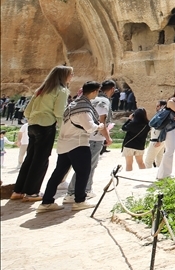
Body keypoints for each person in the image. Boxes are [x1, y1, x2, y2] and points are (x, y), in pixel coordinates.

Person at [37, 81, 112, 212]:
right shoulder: (83, 108)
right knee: (83, 172)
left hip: (64, 143)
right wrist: (100, 126)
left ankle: (47, 202)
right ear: (94, 92)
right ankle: (79, 200)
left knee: (58, 174)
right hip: (77, 144)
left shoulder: (73, 104)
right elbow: (89, 127)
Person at [11, 65, 73, 202]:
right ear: (63, 76)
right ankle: (32, 192)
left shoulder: (41, 90)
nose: (72, 77)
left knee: (30, 158)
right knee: (40, 160)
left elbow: (27, 111)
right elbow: (59, 112)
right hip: (46, 126)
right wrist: (64, 130)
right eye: (70, 74)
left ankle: (18, 190)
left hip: (32, 125)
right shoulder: (62, 90)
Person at [65, 78, 115, 202]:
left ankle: (85, 189)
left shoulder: (90, 99)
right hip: (95, 136)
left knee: (86, 165)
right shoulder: (104, 101)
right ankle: (73, 192)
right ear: (112, 90)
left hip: (82, 135)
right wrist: (107, 137)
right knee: (87, 166)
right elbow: (101, 120)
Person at [155, 87, 175, 180]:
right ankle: (164, 174)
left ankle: (162, 173)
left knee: (170, 151)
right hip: (170, 128)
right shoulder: (171, 101)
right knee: (169, 151)